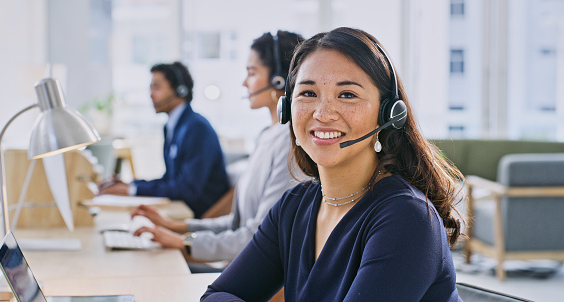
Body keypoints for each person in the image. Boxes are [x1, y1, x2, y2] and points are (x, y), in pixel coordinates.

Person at [201, 27, 464, 301]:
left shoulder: (408, 218)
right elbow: (218, 295)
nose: (323, 113)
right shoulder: (293, 207)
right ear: (287, 108)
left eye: (347, 94)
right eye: (308, 94)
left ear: (387, 113)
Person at [131, 31, 306, 270]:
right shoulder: (268, 136)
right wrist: (177, 227)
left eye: (251, 73)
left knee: (153, 268)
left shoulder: (289, 144)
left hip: (256, 276)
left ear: (278, 79)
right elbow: (237, 223)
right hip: (238, 265)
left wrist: (184, 242)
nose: (245, 82)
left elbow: (259, 236)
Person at [98, 62, 229, 218]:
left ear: (180, 90)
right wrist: (130, 185)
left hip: (198, 215)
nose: (151, 94)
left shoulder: (197, 128)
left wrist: (131, 190)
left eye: (157, 87)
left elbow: (188, 189)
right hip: (182, 209)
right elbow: (170, 180)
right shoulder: (173, 126)